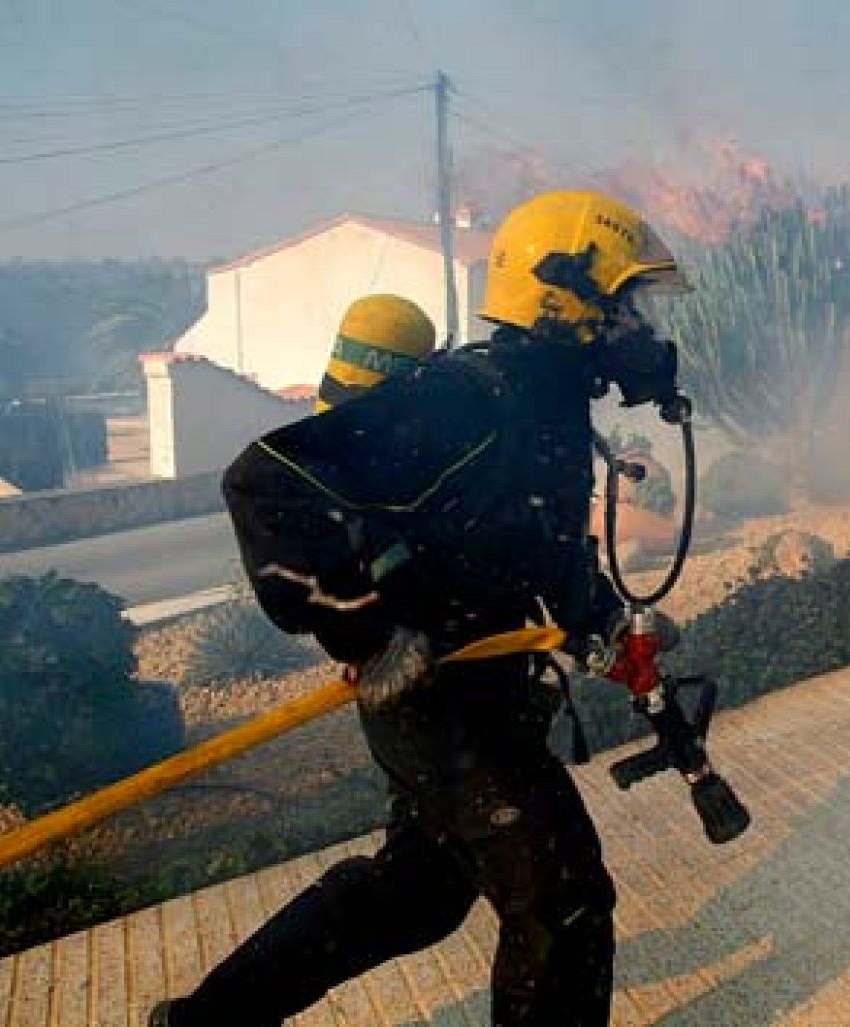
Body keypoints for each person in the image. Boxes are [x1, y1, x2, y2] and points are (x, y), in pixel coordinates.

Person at [150, 191, 691, 1026]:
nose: (638, 328)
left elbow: (535, 541)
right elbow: (265, 482)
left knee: (420, 891)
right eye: (623, 305)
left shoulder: (547, 407)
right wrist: (368, 629)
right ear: (565, 298)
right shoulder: (473, 397)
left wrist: (602, 628)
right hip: (437, 699)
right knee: (563, 897)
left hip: (483, 693)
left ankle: (204, 1020)